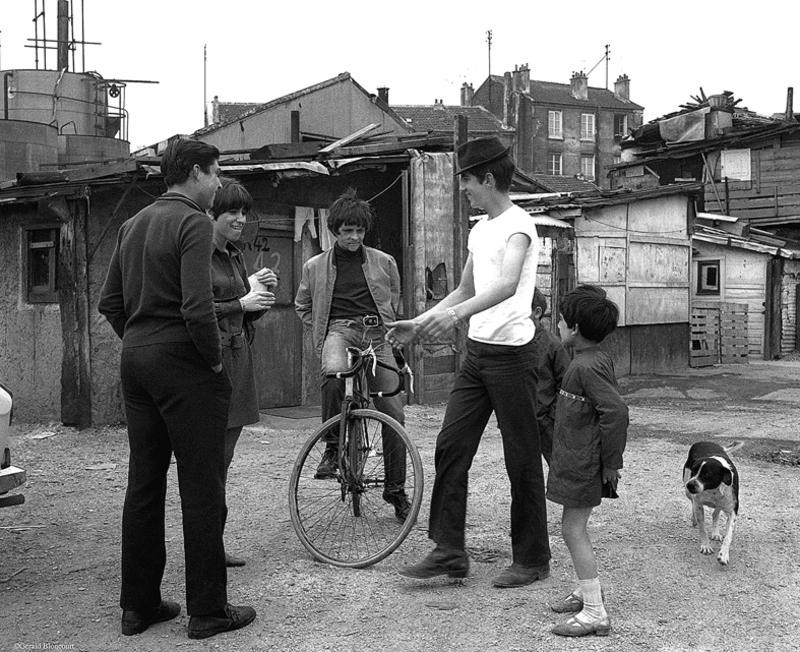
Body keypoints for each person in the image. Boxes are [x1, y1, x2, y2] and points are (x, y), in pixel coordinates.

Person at [98, 138, 256, 640]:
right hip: (184, 363)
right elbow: (197, 306)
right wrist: (211, 361)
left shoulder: (133, 224)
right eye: (215, 173)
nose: (217, 184)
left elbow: (111, 303)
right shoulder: (191, 221)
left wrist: (142, 343)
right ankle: (208, 610)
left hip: (137, 361)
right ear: (192, 172)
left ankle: (138, 605)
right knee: (201, 484)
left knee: (145, 482)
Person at [388, 136, 551, 587]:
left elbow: (505, 284)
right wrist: (419, 323)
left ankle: (533, 558)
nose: (463, 189)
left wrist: (456, 317)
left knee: (520, 458)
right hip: (478, 355)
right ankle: (449, 551)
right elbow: (464, 289)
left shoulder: (521, 226)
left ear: (489, 179)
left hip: (515, 357)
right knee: (451, 445)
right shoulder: (480, 230)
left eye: (467, 181)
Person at [294, 188, 410, 520]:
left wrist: (388, 327)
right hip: (339, 330)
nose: (354, 237)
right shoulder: (315, 266)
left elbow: (394, 296)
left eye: (359, 231)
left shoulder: (383, 261)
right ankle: (333, 449)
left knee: (393, 412)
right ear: (335, 231)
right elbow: (303, 305)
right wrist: (321, 327)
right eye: (347, 231)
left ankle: (396, 490)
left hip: (376, 334)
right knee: (333, 375)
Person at [546, 284, 628, 637]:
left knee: (571, 529)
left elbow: (616, 411)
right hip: (578, 458)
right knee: (574, 526)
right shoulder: (590, 359)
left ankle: (595, 611)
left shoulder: (586, 367)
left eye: (562, 322)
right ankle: (586, 588)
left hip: (584, 462)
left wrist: (612, 463)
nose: (559, 327)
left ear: (576, 329)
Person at [210, 179, 277, 568]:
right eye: (231, 212)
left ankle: (214, 543)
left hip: (238, 357)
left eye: (243, 212)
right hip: (211, 362)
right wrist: (242, 299)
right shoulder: (198, 253)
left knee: (225, 459)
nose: (240, 219)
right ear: (211, 213)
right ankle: (206, 546)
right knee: (210, 462)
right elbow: (196, 310)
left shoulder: (234, 254)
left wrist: (260, 297)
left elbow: (244, 310)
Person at [531, 288, 571, 465]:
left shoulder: (553, 345)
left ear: (537, 313)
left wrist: (551, 415)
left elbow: (566, 383)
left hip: (546, 423)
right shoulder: (511, 345)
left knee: (559, 468)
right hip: (519, 422)